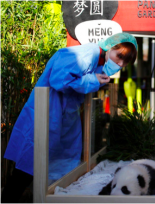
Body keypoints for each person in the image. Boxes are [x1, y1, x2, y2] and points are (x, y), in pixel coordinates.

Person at [2, 33, 138, 203]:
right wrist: (93, 79)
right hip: (47, 112)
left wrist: (96, 80)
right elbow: (59, 79)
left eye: (125, 62)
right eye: (120, 56)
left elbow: (79, 84)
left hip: (64, 118)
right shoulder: (86, 53)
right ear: (110, 46)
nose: (120, 64)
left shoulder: (98, 62)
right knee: (28, 166)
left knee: (55, 168)